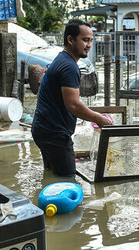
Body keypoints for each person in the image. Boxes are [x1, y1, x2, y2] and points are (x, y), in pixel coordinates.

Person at [31, 19, 113, 176]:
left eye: (90, 41)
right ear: (70, 39)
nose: (89, 45)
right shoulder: (69, 66)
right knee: (68, 181)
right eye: (85, 40)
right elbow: (74, 105)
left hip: (43, 129)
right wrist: (99, 118)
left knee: (51, 177)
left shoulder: (62, 59)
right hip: (54, 134)